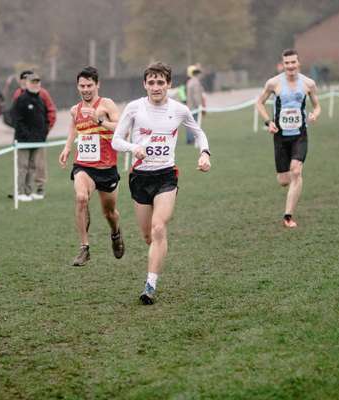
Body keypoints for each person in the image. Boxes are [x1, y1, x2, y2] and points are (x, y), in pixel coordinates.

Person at [112, 61, 211, 305]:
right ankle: (155, 255)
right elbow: (116, 141)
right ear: (145, 84)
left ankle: (150, 285)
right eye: (151, 82)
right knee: (148, 236)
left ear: (168, 84)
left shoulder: (179, 109)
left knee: (158, 227)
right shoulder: (135, 108)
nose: (156, 87)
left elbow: (198, 132)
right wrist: (133, 148)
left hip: (166, 176)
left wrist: (205, 152)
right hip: (140, 178)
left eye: (160, 82)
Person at [59, 66, 125, 266]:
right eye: (82, 86)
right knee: (81, 198)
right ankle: (84, 247)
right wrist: (67, 147)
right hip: (84, 165)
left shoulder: (106, 104)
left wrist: (100, 120)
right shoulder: (74, 110)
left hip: (107, 168)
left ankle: (115, 233)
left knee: (110, 213)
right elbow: (74, 127)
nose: (85, 89)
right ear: (77, 86)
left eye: (89, 85)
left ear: (97, 85)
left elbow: (122, 128)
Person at [256, 48, 321, 228]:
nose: (290, 66)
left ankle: (288, 216)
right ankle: (290, 183)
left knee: (297, 171)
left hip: (300, 134)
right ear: (282, 64)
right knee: (284, 180)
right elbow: (259, 103)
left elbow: (317, 106)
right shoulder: (273, 83)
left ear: (298, 63)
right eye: (287, 63)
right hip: (280, 136)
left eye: (293, 62)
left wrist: (315, 114)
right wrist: (269, 122)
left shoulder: (308, 83)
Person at [12, 73, 50, 201]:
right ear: (27, 83)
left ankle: (28, 191)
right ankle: (20, 191)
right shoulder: (22, 99)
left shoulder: (39, 99)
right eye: (33, 82)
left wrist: (43, 133)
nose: (36, 84)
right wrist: (26, 135)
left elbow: (45, 119)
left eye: (38, 82)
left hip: (37, 140)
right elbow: (17, 120)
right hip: (24, 141)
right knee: (23, 166)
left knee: (33, 166)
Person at [185, 65, 205, 145]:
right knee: (194, 123)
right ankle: (192, 139)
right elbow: (196, 95)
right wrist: (199, 105)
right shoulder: (196, 82)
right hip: (194, 107)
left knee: (189, 123)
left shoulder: (189, 82)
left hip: (189, 106)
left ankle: (189, 139)